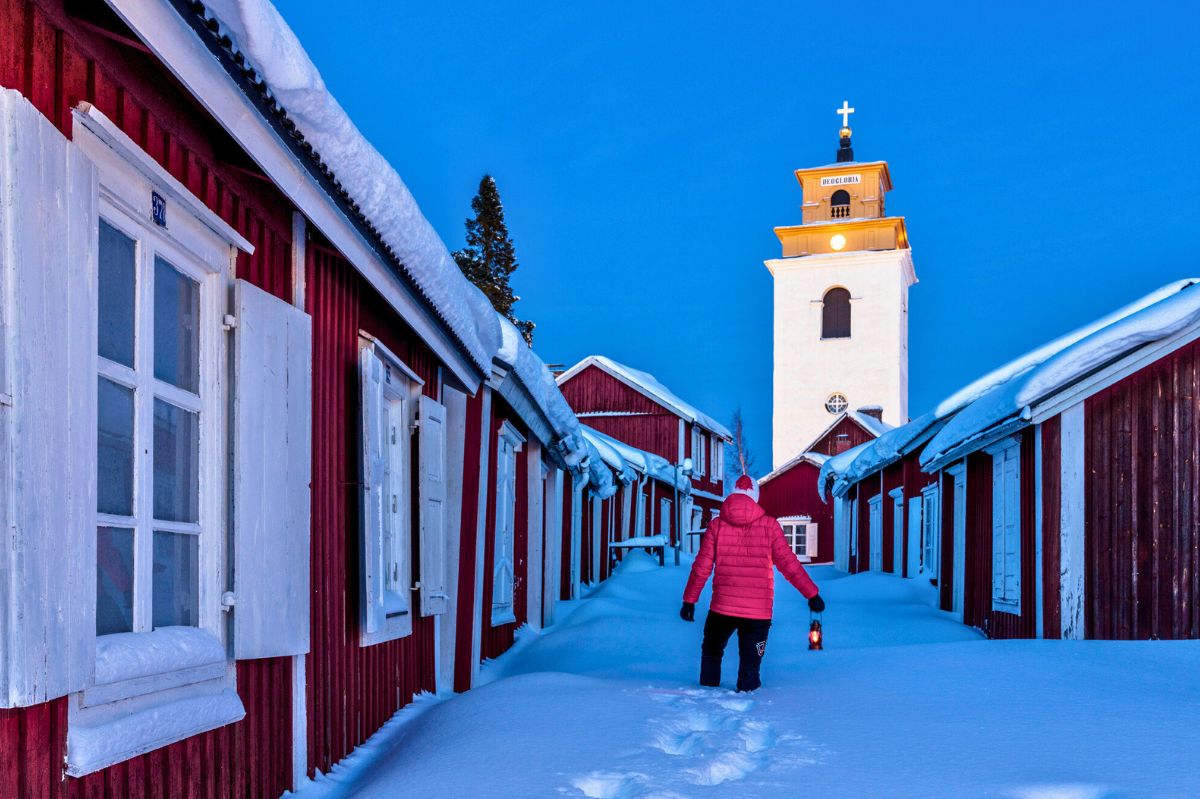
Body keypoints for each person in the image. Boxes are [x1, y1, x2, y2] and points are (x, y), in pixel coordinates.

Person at [680, 474, 824, 692]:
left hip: (722, 608)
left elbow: (701, 567)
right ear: (754, 497)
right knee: (751, 664)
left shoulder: (717, 526)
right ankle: (749, 703)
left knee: (711, 652)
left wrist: (689, 600)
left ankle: (706, 697)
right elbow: (789, 564)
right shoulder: (770, 526)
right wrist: (811, 594)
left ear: (732, 493)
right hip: (758, 614)